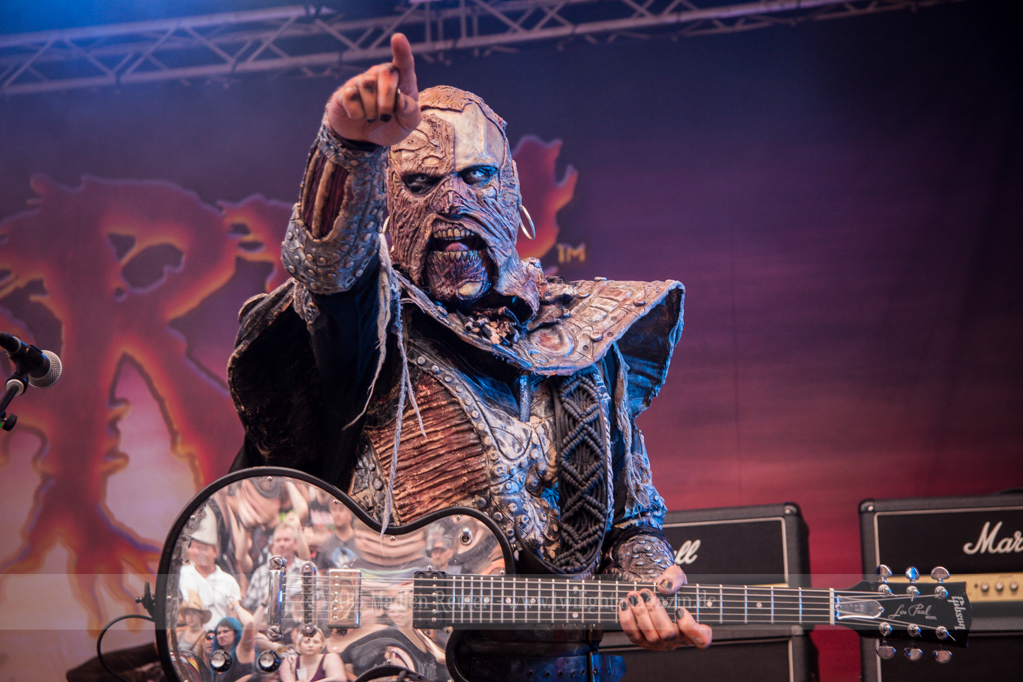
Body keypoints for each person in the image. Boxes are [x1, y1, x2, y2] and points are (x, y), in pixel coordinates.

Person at [228, 32, 711, 682]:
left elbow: (632, 520)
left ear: (511, 191)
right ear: (387, 202)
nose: (452, 200)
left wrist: (649, 582)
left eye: (476, 175)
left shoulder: (582, 337)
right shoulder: (372, 326)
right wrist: (348, 148)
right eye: (420, 182)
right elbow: (330, 272)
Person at [180, 507, 243, 628]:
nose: (197, 552)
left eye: (203, 548)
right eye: (194, 547)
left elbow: (233, 619)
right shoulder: (183, 574)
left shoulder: (229, 581)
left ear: (215, 552)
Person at [279, 628, 347, 682]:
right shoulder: (291, 661)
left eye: (316, 642)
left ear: (322, 644)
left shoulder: (331, 658)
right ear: (299, 644)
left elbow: (340, 679)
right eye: (306, 642)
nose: (311, 645)